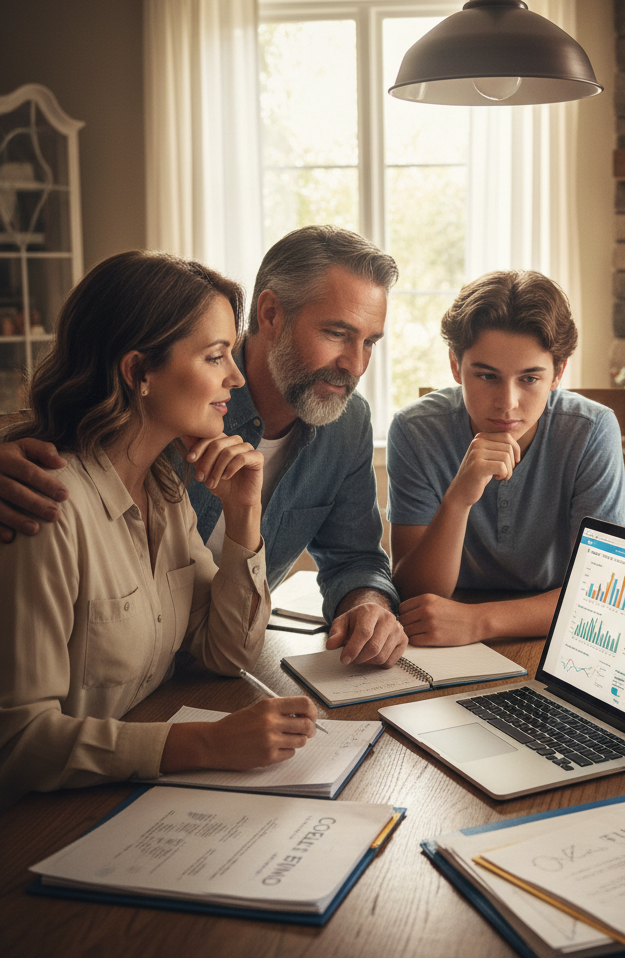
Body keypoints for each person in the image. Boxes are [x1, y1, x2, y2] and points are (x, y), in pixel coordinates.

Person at [0, 226, 407, 669]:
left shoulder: (347, 423)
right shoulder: (176, 405)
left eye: (369, 342)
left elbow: (355, 557)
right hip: (113, 673)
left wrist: (368, 605)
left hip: (220, 664)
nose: (356, 365)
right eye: (336, 333)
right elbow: (72, 426)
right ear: (270, 313)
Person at [0, 251, 320, 808]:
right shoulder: (47, 507)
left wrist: (245, 512)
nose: (236, 377)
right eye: (215, 356)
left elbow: (225, 653)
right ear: (138, 372)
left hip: (125, 795)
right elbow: (19, 741)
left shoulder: (165, 491)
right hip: (42, 823)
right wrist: (203, 742)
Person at [386, 271, 625, 646]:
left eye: (529, 379)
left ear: (558, 373)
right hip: (442, 634)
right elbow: (415, 594)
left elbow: (602, 592)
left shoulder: (591, 430)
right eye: (486, 376)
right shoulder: (414, 430)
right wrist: (459, 497)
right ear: (455, 366)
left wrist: (480, 621)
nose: (507, 403)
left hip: (554, 632)